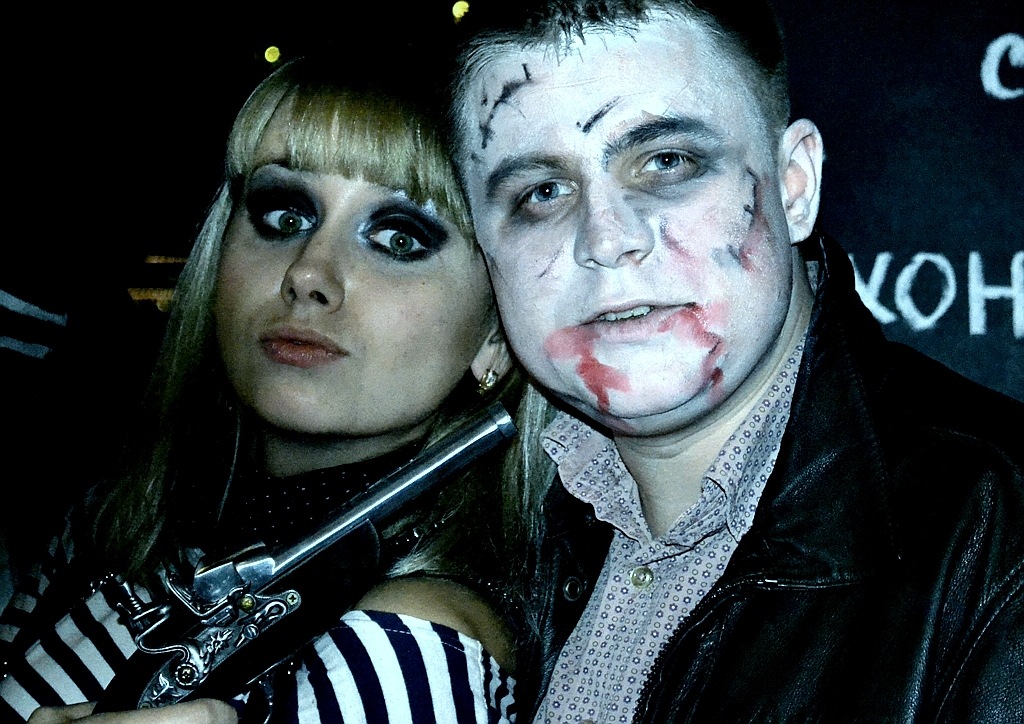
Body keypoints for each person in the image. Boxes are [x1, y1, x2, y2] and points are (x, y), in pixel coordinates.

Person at [445, 1, 1024, 721]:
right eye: (542, 193)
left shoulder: (1002, 540)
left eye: (667, 162)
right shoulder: (465, 550)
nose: (607, 238)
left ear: (794, 185)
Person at [1, 55, 523, 723]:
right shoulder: (120, 517)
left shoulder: (408, 644)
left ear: (495, 336)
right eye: (284, 217)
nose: (308, 272)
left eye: (399, 237)